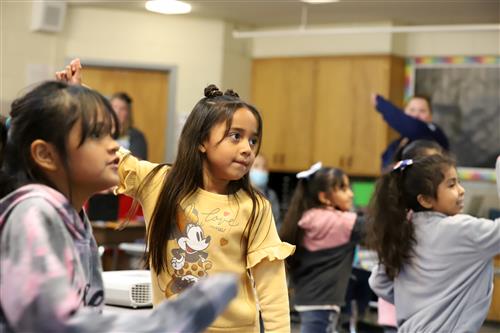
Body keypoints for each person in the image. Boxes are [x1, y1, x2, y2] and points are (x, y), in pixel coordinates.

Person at [58, 59, 295, 332]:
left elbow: (272, 286)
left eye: (253, 140)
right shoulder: (159, 183)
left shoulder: (254, 206)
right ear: (202, 141)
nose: (247, 149)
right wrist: (78, 101)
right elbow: (110, 152)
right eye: (235, 136)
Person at [0, 80, 238, 332]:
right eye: (96, 135)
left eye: (111, 134)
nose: (114, 145)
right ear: (45, 155)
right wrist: (171, 321)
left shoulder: (69, 216)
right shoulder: (35, 212)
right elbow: (56, 325)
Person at [366, 154, 500, 333]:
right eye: (451, 185)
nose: (461, 190)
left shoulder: (406, 229)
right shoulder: (459, 229)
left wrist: (417, 302)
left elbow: (378, 282)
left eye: (458, 182)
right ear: (425, 200)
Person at [280, 162, 364, 333]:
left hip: (308, 301)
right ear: (324, 197)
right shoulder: (335, 221)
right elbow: (374, 228)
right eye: (343, 189)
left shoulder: (308, 217)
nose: (351, 194)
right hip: (323, 303)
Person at [375, 139, 446, 333]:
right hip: (403, 315)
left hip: (419, 315)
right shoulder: (402, 214)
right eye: (431, 162)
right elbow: (381, 275)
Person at [372, 93, 450, 171]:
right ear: (404, 113)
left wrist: (381, 104)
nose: (416, 115)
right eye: (412, 110)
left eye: (422, 111)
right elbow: (386, 166)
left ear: (430, 116)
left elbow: (416, 162)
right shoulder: (399, 143)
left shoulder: (433, 133)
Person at [110, 92, 148, 160]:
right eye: (114, 107)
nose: (117, 112)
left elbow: (136, 163)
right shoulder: (101, 133)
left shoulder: (136, 136)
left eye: (122, 109)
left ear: (128, 113)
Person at [250, 154, 281, 230]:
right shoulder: (239, 193)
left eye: (264, 167)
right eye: (256, 166)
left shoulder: (271, 195)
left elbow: (277, 223)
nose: (261, 170)